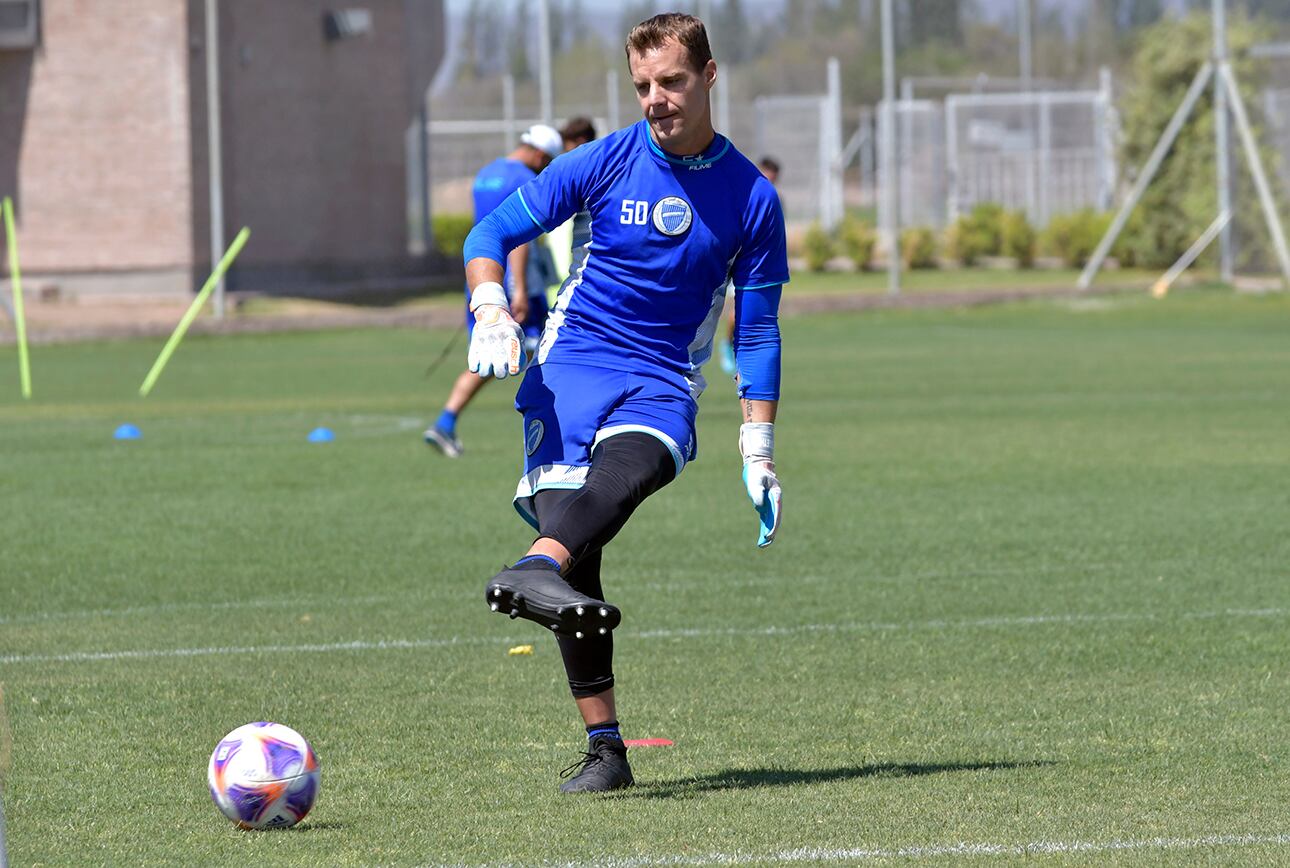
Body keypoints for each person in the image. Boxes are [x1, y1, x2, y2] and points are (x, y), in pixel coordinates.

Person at [460, 12, 787, 794]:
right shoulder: (602, 161)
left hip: (663, 373)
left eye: (672, 81)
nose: (656, 99)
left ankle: (532, 570)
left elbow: (764, 328)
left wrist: (758, 447)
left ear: (710, 77)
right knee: (580, 555)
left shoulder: (752, 197)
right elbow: (492, 229)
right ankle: (606, 752)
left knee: (637, 466)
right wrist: (491, 308)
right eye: (642, 85)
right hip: (570, 363)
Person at [423, 123, 565, 457]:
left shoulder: (486, 173)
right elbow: (518, 240)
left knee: (488, 355)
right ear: (541, 155)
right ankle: (554, 424)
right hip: (514, 282)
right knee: (544, 347)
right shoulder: (523, 179)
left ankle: (446, 421)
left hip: (480, 278)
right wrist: (516, 291)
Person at [719, 156, 780, 374]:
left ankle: (738, 351)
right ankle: (727, 345)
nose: (769, 183)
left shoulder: (771, 200)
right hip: (731, 260)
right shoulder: (740, 195)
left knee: (745, 313)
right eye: (767, 178)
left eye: (773, 180)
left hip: (751, 265)